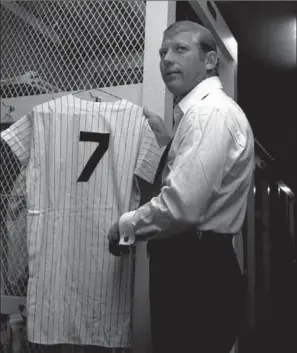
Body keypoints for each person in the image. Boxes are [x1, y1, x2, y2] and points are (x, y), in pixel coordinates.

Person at [108, 21, 254, 353]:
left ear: (210, 60)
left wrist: (126, 224)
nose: (167, 59)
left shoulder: (208, 114)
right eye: (163, 52)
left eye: (180, 49)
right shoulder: (197, 116)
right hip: (195, 267)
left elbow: (182, 207)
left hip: (195, 274)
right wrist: (168, 144)